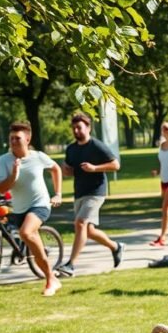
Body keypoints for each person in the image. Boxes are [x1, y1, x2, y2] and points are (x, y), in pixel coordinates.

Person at [55, 113, 125, 278]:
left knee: (80, 223)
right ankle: (116, 247)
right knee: (89, 231)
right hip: (79, 192)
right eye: (74, 128)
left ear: (88, 128)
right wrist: (66, 170)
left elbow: (116, 165)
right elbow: (72, 170)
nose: (76, 130)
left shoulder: (96, 146)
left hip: (96, 192)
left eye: (79, 127)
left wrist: (95, 168)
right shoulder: (71, 149)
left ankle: (71, 265)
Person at [0, 122, 62, 296]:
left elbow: (56, 169)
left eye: (17, 138)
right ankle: (52, 278)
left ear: (27, 139)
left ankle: (50, 279)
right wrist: (13, 175)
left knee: (26, 233)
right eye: (11, 138)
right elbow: (2, 189)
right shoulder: (3, 161)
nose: (13, 141)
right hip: (19, 209)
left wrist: (58, 194)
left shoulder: (38, 156)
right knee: (30, 239)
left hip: (40, 204)